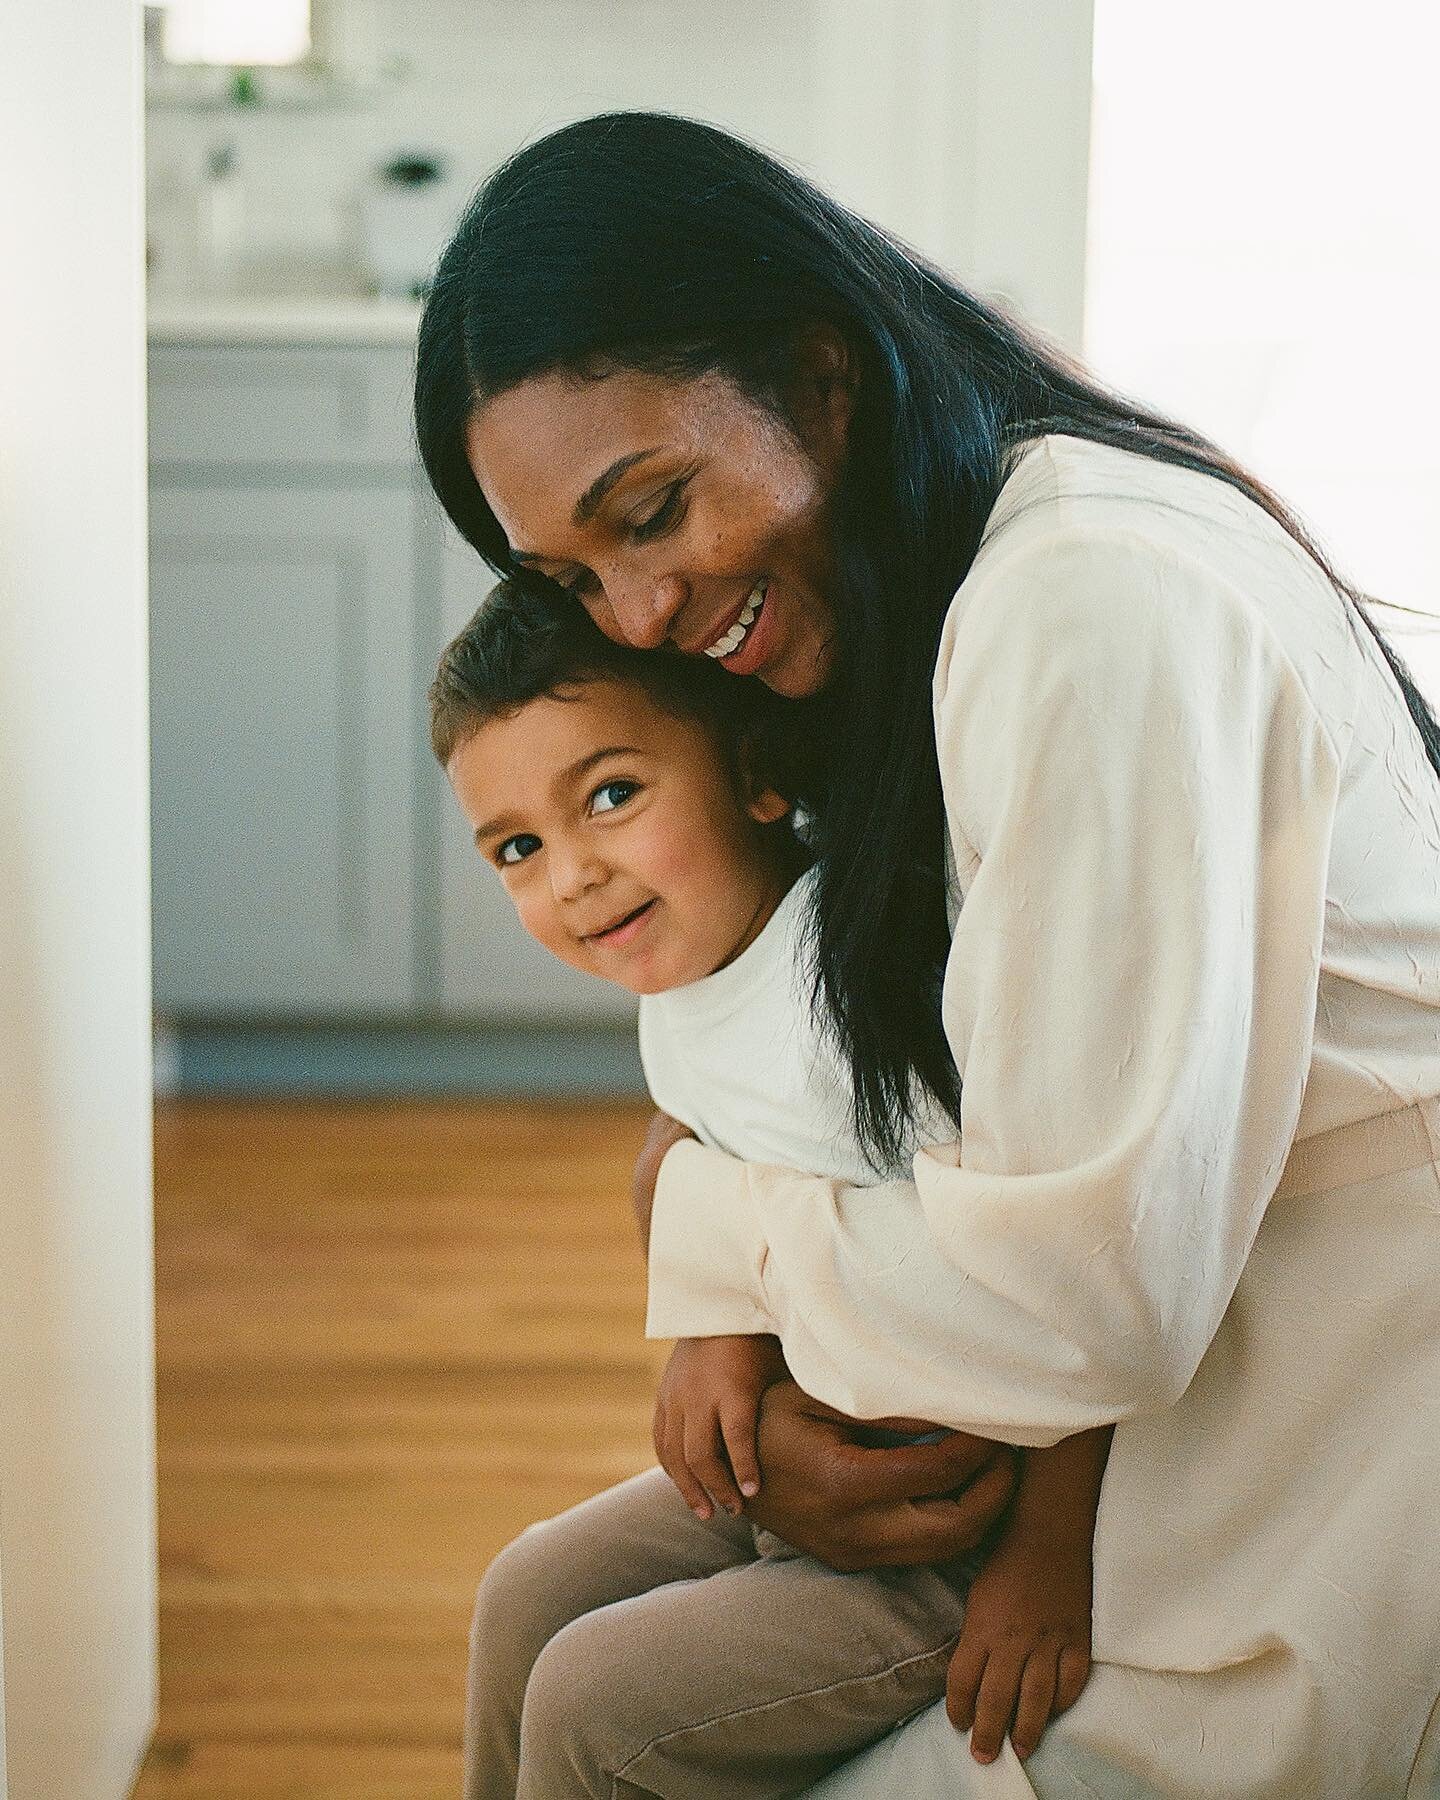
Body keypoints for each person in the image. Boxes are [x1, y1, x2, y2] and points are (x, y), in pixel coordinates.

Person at [414, 111, 1440, 1798]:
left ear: (822, 379)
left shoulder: (1087, 601)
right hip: (1102, 1398)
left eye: (653, 510)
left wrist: (713, 1238)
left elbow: (1085, 1310)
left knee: (604, 1709)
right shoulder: (933, 592)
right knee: (538, 1600)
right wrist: (774, 1379)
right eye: (571, 575)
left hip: (1287, 1475)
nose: (638, 618)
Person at [430, 580, 1115, 1793]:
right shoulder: (681, 982)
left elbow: (1063, 1273)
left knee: (596, 1702)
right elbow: (714, 1164)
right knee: (522, 1593)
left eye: (611, 796)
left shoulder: (857, 998)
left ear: (755, 776)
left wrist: (1049, 1551)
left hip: (955, 1524)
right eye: (519, 848)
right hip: (799, 1460)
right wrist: (715, 1335)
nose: (574, 876)